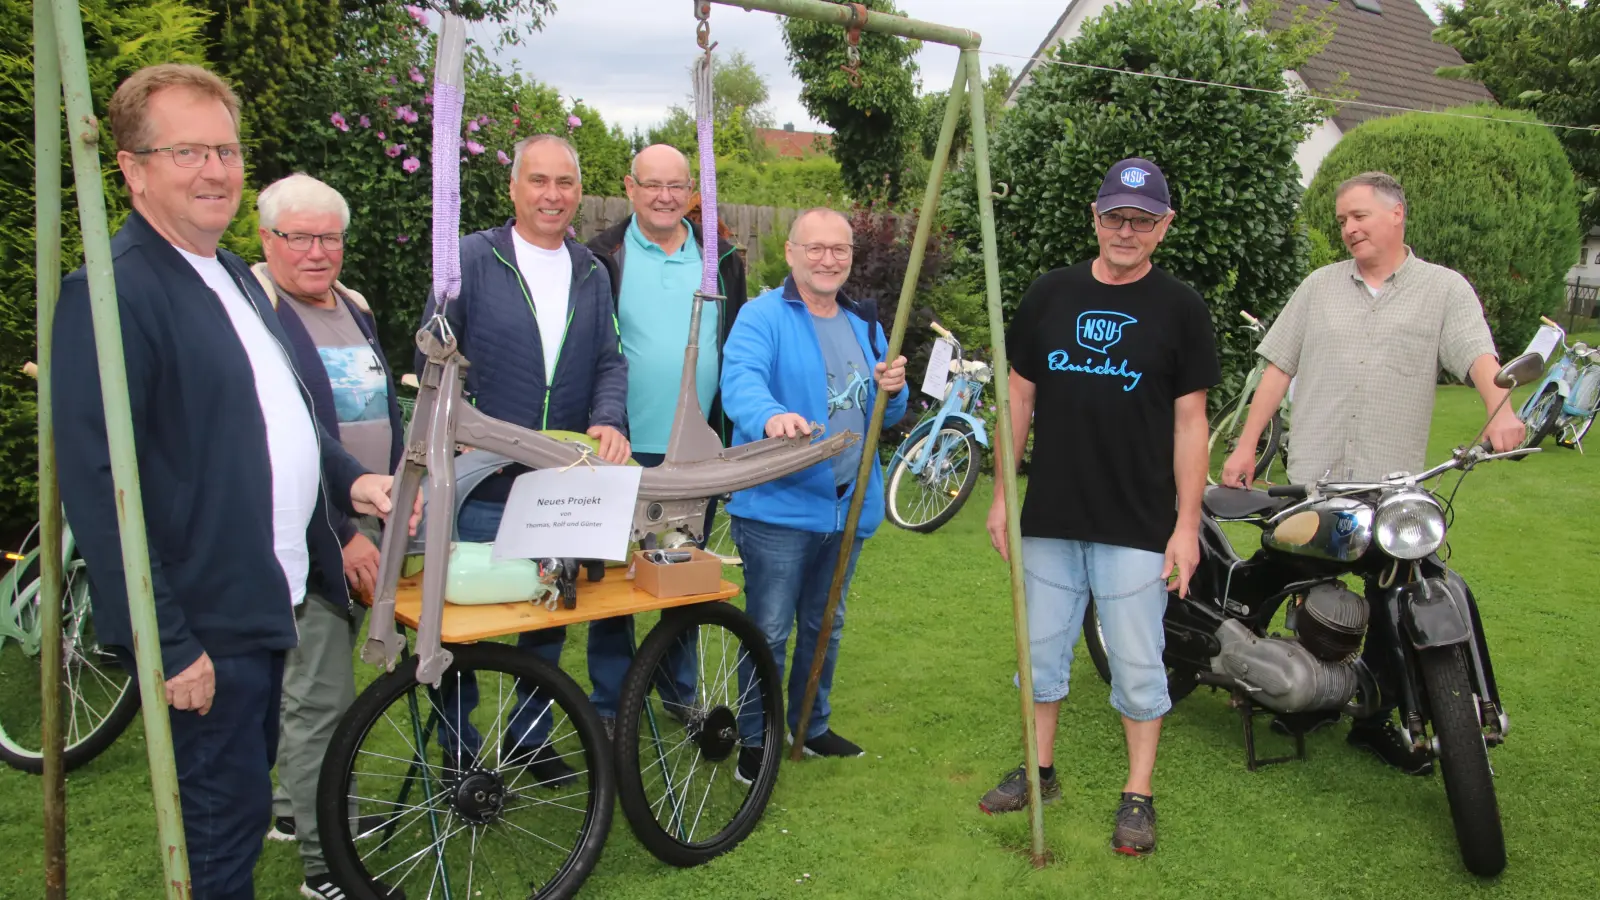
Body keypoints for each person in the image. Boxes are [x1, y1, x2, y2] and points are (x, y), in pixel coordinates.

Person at [51, 64, 409, 900]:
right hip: (206, 621)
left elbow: (282, 417)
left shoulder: (231, 276)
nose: (215, 169)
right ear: (134, 169)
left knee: (246, 810)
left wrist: (352, 483)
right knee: (218, 835)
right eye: (187, 151)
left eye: (226, 149)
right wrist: (168, 644)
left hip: (271, 593)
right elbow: (102, 483)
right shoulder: (112, 292)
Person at [1220, 171, 1524, 773]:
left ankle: (1376, 718)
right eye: (1342, 221)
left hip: (1394, 484)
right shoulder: (1318, 287)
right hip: (1317, 477)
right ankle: (1270, 679)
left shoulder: (1444, 290)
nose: (1349, 228)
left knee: (1397, 597)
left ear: (1396, 216)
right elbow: (1277, 368)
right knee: (1290, 579)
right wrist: (1245, 444)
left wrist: (1503, 410)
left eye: (1358, 215)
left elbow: (1478, 357)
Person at [978, 158, 1219, 858]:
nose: (1126, 231)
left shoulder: (1182, 309)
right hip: (1051, 514)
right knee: (1042, 651)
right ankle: (1038, 768)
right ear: (1094, 216)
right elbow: (1017, 399)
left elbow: (1190, 423)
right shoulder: (1051, 295)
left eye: (1142, 221)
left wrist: (1185, 525)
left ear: (1164, 227)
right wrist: (1002, 495)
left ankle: (1138, 793)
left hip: (1138, 522)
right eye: (1116, 216)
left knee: (1140, 663)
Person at [417, 134, 628, 783]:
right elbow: (434, 351)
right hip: (479, 479)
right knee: (460, 620)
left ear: (578, 192)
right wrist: (451, 425)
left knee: (549, 611)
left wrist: (608, 420)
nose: (552, 195)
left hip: (557, 481)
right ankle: (458, 749)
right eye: (538, 181)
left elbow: (609, 361)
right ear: (513, 188)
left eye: (565, 182)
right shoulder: (472, 260)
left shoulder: (593, 271)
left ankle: (531, 736)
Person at [249, 173, 405, 900]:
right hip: (310, 531)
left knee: (314, 681)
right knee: (321, 694)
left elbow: (381, 408)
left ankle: (293, 809)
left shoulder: (354, 307)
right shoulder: (256, 311)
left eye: (330, 237)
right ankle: (324, 868)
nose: (317, 252)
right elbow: (283, 439)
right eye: (299, 237)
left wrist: (402, 487)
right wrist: (343, 531)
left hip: (366, 515)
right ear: (266, 238)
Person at [720, 207, 908, 781]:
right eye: (816, 248)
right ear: (791, 254)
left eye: (840, 250)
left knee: (826, 622)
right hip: (780, 505)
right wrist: (771, 417)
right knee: (770, 629)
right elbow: (740, 382)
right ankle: (756, 739)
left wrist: (893, 390)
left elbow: (886, 413)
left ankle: (812, 724)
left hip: (846, 503)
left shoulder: (863, 323)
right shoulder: (762, 316)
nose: (829, 260)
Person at [584, 144, 749, 733]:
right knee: (610, 578)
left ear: (693, 194)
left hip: (691, 450)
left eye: (676, 186)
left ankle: (677, 690)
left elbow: (734, 348)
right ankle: (608, 703)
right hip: (617, 446)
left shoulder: (721, 258)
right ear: (629, 188)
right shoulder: (602, 256)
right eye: (652, 185)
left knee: (680, 573)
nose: (664, 197)